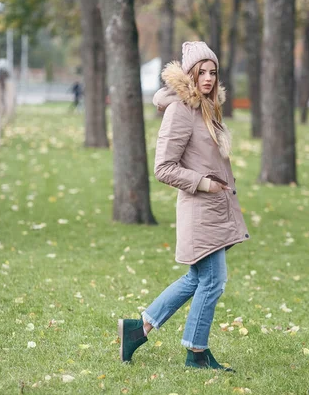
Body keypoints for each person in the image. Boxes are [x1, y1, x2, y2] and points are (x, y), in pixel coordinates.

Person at [117, 42, 250, 371]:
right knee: (213, 280)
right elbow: (163, 167)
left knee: (198, 279)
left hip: (214, 210)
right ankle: (196, 351)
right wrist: (205, 183)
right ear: (189, 74)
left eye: (213, 72)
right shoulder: (181, 110)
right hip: (200, 210)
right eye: (201, 72)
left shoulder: (206, 108)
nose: (208, 78)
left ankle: (139, 329)